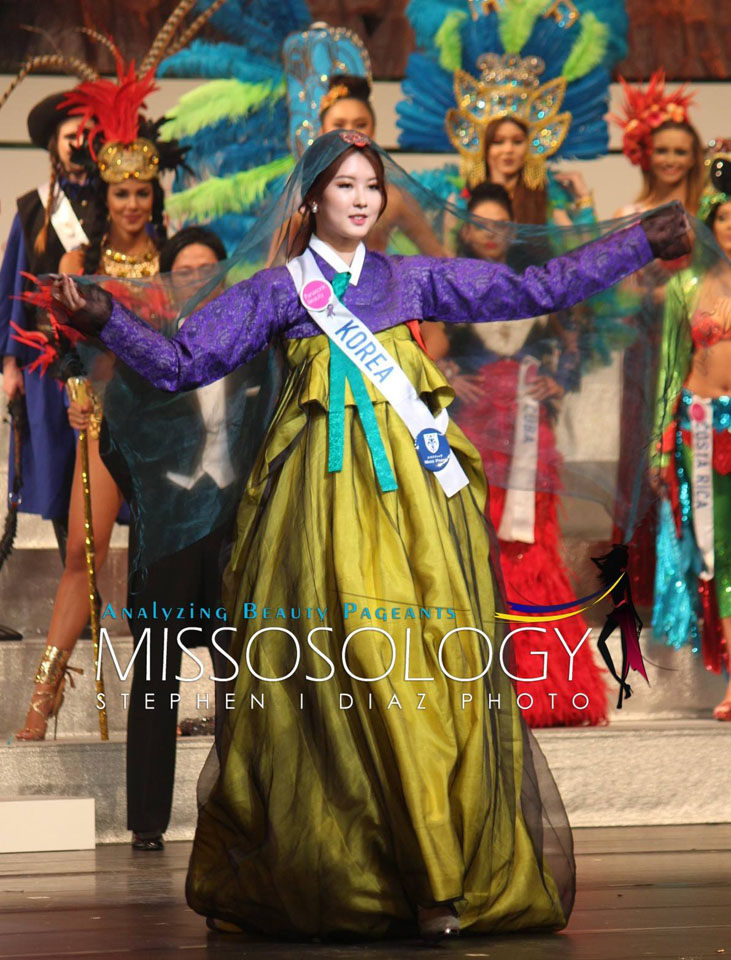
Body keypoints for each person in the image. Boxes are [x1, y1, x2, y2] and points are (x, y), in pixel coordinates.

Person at [50, 131, 687, 940]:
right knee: (350, 685)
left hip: (421, 521)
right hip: (315, 521)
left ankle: (437, 877)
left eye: (371, 186)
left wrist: (636, 241)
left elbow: (537, 286)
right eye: (343, 184)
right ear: (311, 198)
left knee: (424, 686)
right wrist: (106, 316)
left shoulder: (410, 279)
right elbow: (181, 363)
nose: (360, 198)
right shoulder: (278, 292)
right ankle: (375, 874)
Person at [13, 67, 184, 741]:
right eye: (122, 192)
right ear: (105, 194)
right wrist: (79, 399)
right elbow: (65, 350)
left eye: (143, 192)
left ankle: (158, 701)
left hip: (165, 432)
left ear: (154, 195)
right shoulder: (80, 264)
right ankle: (43, 699)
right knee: (82, 558)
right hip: (105, 425)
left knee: (157, 566)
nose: (133, 204)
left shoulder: (178, 261)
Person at [423, 183, 607, 726]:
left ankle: (546, 689)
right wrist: (448, 374)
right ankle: (479, 689)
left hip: (531, 435)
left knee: (533, 550)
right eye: (481, 224)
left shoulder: (536, 286)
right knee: (478, 553)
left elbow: (582, 336)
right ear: (465, 229)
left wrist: (559, 378)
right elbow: (419, 350)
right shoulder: (447, 289)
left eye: (501, 224)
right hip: (474, 434)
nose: (491, 234)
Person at [651, 154, 731, 720]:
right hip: (700, 425)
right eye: (725, 217)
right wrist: (661, 439)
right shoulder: (684, 286)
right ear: (710, 223)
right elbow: (670, 366)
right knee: (717, 551)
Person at [0, 92, 96, 559]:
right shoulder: (34, 210)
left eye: (87, 134)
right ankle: (73, 577)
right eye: (69, 135)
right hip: (45, 359)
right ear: (54, 145)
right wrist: (10, 362)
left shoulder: (120, 199)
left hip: (105, 355)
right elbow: (14, 288)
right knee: (59, 469)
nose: (79, 143)